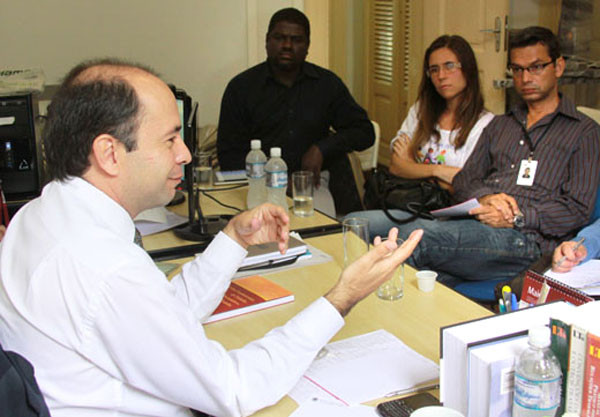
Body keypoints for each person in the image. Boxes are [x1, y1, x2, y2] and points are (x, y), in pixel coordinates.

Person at [0, 58, 422, 417]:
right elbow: (232, 389)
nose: (184, 154)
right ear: (110, 153)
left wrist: (233, 238)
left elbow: (161, 315)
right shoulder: (105, 269)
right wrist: (340, 298)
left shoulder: (39, 215)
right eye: (170, 139)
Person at [361, 26, 600, 287]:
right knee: (361, 224)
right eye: (517, 69)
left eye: (536, 67)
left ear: (559, 67)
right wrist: (487, 199)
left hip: (526, 239)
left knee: (411, 240)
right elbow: (464, 181)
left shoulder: (584, 131)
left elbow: (577, 210)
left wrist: (516, 216)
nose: (526, 77)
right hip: (472, 224)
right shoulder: (501, 125)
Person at [216, 7, 374, 216]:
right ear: (267, 41)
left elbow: (364, 132)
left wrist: (322, 148)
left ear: (307, 45)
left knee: (322, 237)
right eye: (279, 38)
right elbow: (228, 155)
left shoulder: (326, 85)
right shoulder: (241, 88)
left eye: (296, 39)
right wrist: (273, 180)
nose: (287, 46)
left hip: (311, 187)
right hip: (256, 188)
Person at [348, 35, 494, 237]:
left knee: (399, 239)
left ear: (467, 69)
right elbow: (396, 167)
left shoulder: (486, 124)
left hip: (453, 217)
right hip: (412, 207)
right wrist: (439, 171)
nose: (441, 75)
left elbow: (463, 186)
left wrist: (414, 166)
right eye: (434, 69)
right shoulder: (420, 111)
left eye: (449, 66)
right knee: (353, 222)